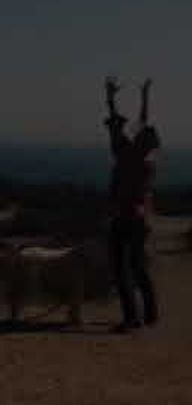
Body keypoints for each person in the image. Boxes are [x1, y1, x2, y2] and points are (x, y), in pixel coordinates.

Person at [104, 76, 160, 333]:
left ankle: (132, 318)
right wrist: (143, 97)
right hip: (139, 218)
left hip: (125, 217)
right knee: (137, 266)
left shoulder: (126, 154)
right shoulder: (146, 162)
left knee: (121, 268)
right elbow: (140, 123)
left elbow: (120, 125)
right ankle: (150, 314)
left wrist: (111, 98)